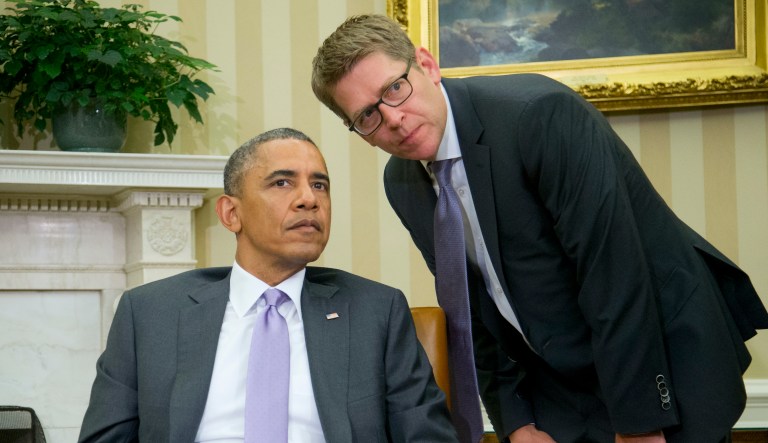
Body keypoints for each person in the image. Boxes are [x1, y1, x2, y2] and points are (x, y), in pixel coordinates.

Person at [311, 14, 768, 443]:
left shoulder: (538, 116)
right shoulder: (403, 181)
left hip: (662, 365)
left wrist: (641, 423)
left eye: (395, 88)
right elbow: (468, 304)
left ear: (427, 65)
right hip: (562, 390)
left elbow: (614, 275)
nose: (392, 118)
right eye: (366, 116)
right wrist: (516, 420)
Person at [78, 127, 458, 442]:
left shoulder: (375, 311)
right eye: (282, 183)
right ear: (231, 213)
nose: (309, 199)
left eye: (320, 185)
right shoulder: (150, 313)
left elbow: (427, 436)